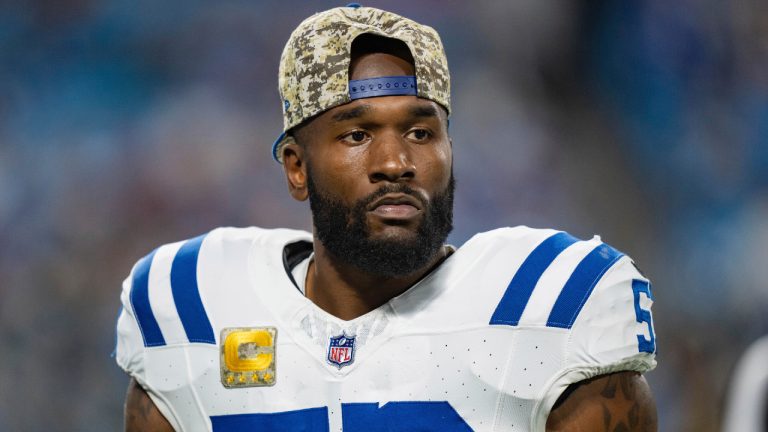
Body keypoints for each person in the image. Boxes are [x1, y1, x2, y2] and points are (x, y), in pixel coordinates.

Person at [115, 4, 658, 431]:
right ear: (296, 168)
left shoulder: (552, 302)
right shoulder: (190, 307)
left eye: (421, 132)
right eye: (357, 134)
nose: (396, 163)